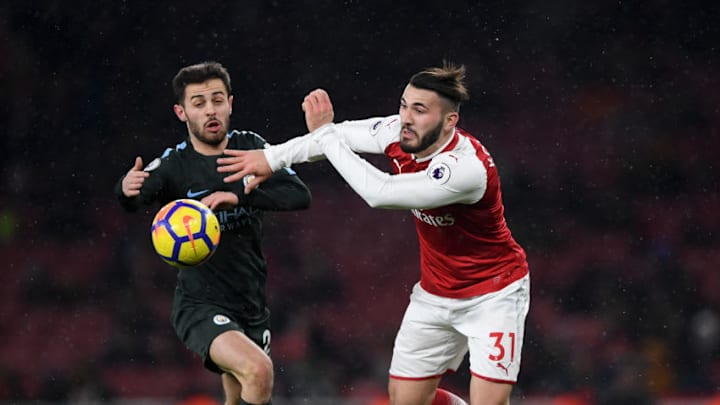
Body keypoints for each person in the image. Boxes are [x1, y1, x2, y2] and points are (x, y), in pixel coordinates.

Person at [216, 63, 530, 405]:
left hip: (494, 293)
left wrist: (324, 134)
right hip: (436, 292)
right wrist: (273, 157)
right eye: (404, 104)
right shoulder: (398, 131)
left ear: (450, 122)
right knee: (405, 400)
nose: (406, 118)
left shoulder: (465, 169)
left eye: (420, 110)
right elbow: (339, 136)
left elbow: (380, 192)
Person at [114, 61, 311, 405]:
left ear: (230, 103)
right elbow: (135, 196)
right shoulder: (176, 164)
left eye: (217, 100)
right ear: (182, 112)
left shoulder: (251, 147)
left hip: (251, 302)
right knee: (260, 371)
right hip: (200, 303)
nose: (210, 110)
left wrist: (242, 195)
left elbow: (299, 195)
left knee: (240, 394)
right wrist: (124, 188)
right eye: (199, 103)